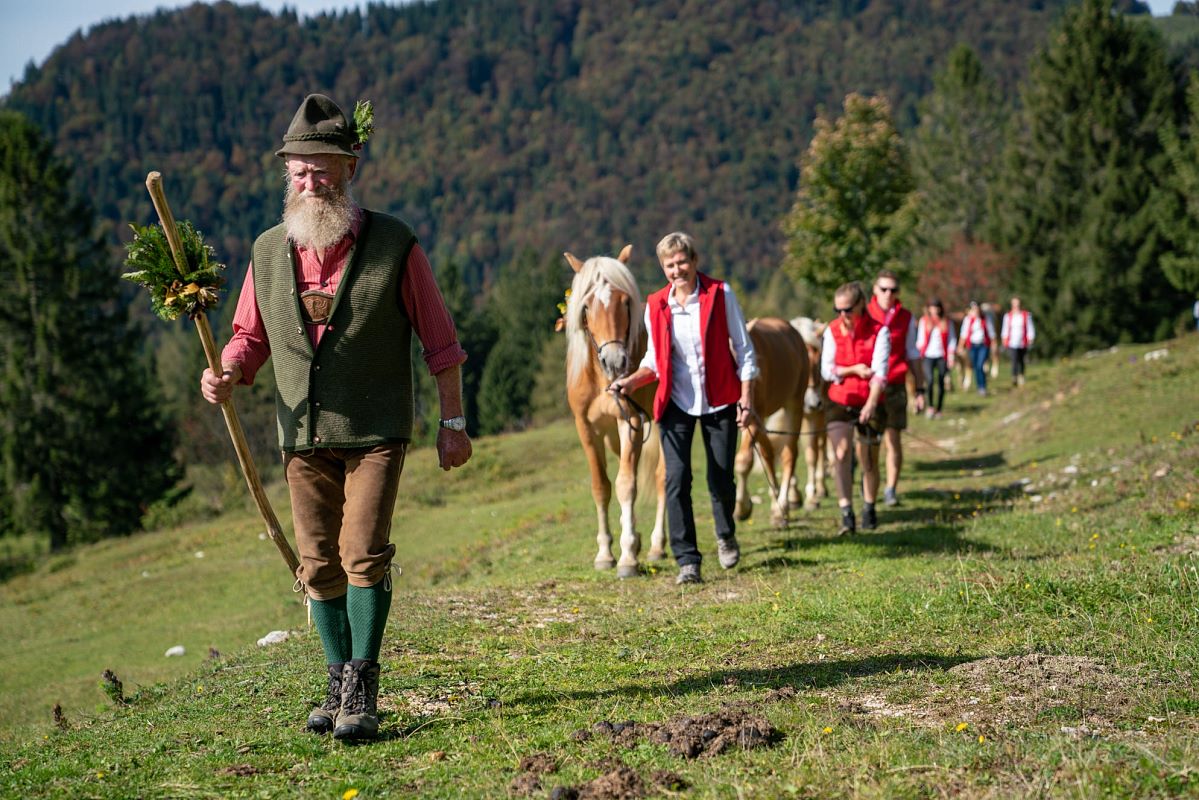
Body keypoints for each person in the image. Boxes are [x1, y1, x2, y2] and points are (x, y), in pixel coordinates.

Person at [200, 94, 472, 741]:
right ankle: (335, 679)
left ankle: (363, 689)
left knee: (361, 552)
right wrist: (227, 370)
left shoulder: (393, 245)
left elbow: (441, 343)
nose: (310, 182)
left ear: (350, 169)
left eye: (322, 169)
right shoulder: (267, 253)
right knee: (317, 563)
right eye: (299, 170)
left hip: (376, 431)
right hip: (301, 433)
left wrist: (453, 424)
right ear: (286, 175)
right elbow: (248, 335)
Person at [609, 232, 757, 585]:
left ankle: (725, 533)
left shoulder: (721, 294)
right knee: (676, 480)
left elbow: (744, 349)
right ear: (663, 267)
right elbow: (653, 361)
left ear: (694, 260)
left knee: (720, 478)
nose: (677, 270)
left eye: (682, 262)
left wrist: (747, 398)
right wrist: (630, 382)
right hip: (675, 403)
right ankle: (687, 560)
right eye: (669, 265)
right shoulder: (656, 303)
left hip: (720, 399)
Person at [821, 281, 890, 534]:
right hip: (840, 400)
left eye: (847, 310)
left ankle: (869, 506)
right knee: (840, 455)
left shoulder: (879, 331)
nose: (843, 316)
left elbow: (880, 373)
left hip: (870, 400)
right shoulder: (832, 330)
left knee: (868, 460)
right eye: (837, 310)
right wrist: (852, 370)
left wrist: (871, 404)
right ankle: (846, 513)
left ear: (861, 305)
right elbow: (827, 370)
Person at [866, 270, 925, 507]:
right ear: (875, 290)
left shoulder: (906, 318)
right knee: (869, 443)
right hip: (868, 388)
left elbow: (912, 353)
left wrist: (920, 390)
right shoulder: (864, 314)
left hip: (895, 384)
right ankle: (868, 486)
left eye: (893, 290)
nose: (888, 294)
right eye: (883, 289)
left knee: (893, 439)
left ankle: (890, 488)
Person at [915, 298, 956, 418]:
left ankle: (939, 409)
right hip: (928, 355)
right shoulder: (924, 321)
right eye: (932, 307)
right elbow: (920, 339)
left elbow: (951, 339)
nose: (934, 310)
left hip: (941, 355)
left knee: (941, 382)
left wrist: (951, 356)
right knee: (930, 380)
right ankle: (931, 406)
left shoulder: (946, 322)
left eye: (936, 307)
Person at [957, 300, 995, 397]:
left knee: (980, 365)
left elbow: (991, 333)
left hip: (983, 345)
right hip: (972, 346)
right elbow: (964, 334)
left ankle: (982, 387)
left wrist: (994, 345)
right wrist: (960, 346)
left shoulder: (985, 319)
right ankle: (980, 386)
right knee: (976, 366)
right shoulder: (968, 320)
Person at [1001, 296, 1035, 387]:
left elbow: (1030, 327)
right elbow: (1005, 329)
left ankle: (1021, 375)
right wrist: (1004, 339)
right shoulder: (1008, 316)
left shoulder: (1026, 315)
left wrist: (1030, 338)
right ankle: (1014, 376)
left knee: (1021, 359)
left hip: (1023, 341)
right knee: (1014, 359)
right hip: (1012, 341)